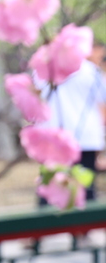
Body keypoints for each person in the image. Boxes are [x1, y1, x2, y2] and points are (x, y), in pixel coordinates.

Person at [39, 38, 106, 202]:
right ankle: (83, 225)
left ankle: (47, 224)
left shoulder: (44, 67)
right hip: (85, 139)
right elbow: (102, 106)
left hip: (52, 138)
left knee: (50, 188)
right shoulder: (91, 71)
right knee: (86, 191)